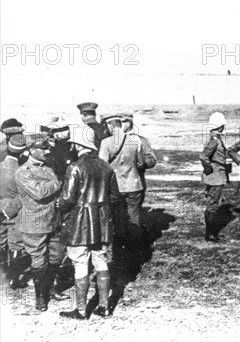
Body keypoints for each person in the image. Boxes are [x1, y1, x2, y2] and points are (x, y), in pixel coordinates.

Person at [56, 126, 119, 319]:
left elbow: (67, 199)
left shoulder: (75, 167)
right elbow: (115, 196)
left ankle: (82, 310)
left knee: (80, 264)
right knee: (101, 262)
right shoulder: (106, 167)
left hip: (79, 224)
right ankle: (104, 307)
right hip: (102, 223)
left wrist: (59, 207)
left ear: (77, 145)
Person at [15, 139, 64, 311]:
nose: (47, 152)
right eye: (43, 149)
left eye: (47, 148)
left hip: (53, 220)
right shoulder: (23, 172)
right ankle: (40, 297)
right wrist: (56, 184)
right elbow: (40, 192)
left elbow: (52, 190)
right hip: (34, 223)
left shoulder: (48, 167)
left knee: (56, 256)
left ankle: (49, 289)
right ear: (31, 150)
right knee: (38, 260)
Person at [99, 115, 146, 247]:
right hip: (134, 183)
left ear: (110, 126)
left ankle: (120, 245)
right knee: (134, 214)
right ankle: (135, 244)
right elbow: (141, 162)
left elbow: (103, 166)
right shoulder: (135, 140)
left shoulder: (106, 142)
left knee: (118, 217)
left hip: (116, 186)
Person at [199, 112, 232, 242]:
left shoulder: (215, 139)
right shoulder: (214, 141)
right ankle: (210, 234)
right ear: (220, 126)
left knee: (213, 203)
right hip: (215, 176)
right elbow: (203, 157)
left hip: (216, 175)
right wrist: (210, 169)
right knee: (213, 204)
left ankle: (211, 233)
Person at [0, 134, 27, 286]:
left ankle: (3, 275)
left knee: (1, 241)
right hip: (15, 211)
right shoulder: (21, 170)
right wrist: (11, 208)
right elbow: (23, 195)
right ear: (22, 152)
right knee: (16, 243)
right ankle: (14, 278)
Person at [120, 112, 157, 205]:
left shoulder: (141, 140)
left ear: (128, 123)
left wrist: (143, 163)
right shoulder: (113, 141)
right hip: (118, 185)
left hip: (136, 183)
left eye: (121, 123)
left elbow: (151, 159)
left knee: (134, 211)